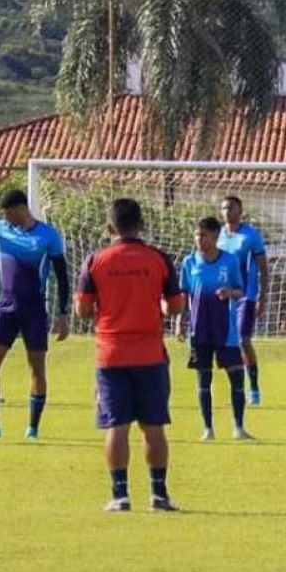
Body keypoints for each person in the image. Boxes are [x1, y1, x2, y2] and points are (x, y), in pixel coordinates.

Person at [75, 197, 186, 511]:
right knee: (153, 426)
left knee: (117, 425)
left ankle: (120, 495)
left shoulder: (96, 261)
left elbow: (82, 310)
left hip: (111, 355)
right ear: (142, 224)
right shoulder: (158, 259)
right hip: (150, 354)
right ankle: (159, 495)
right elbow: (176, 305)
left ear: (110, 227)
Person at [0, 189, 69, 440]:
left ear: (20, 209)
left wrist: (63, 314)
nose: (4, 218)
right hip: (6, 306)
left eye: (7, 213)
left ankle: (33, 427)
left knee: (37, 367)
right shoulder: (0, 229)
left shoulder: (47, 236)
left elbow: (62, 276)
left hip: (34, 309)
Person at [177, 216, 250, 441]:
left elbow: (240, 290)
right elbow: (184, 294)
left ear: (216, 236)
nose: (199, 239)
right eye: (197, 235)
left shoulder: (229, 261)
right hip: (199, 331)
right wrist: (180, 323)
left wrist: (229, 293)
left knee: (237, 377)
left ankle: (239, 428)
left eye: (204, 235)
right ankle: (208, 429)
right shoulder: (189, 262)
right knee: (203, 379)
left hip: (226, 330)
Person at [217, 194, 270, 407]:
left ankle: (254, 386)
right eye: (223, 208)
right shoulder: (218, 235)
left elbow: (264, 269)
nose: (226, 212)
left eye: (230, 208)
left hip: (245, 296)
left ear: (240, 211)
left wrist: (262, 298)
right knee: (224, 342)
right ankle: (231, 386)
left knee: (242, 339)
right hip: (222, 296)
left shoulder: (250, 236)